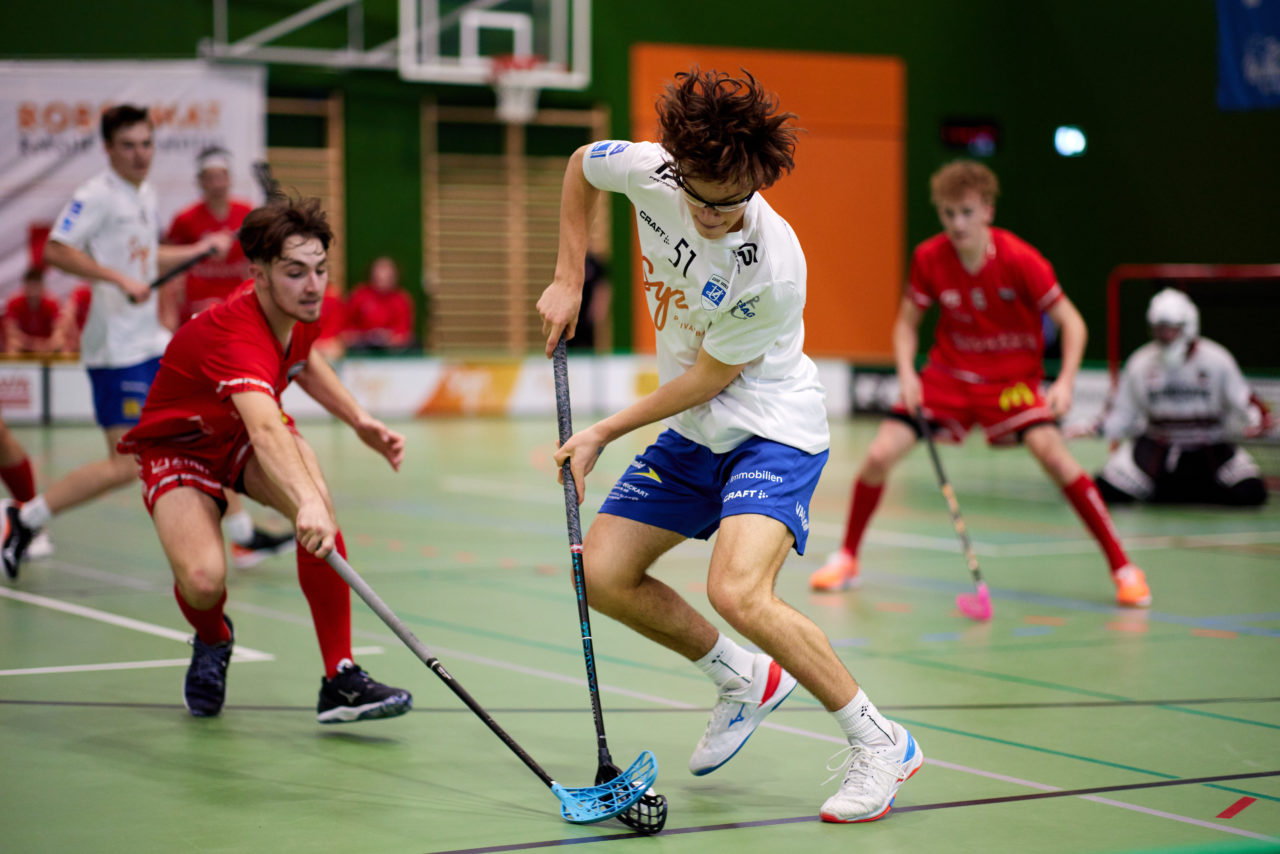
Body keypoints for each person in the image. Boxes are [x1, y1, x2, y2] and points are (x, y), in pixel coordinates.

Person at [536, 67, 923, 824]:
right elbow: (581, 164)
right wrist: (568, 274)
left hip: (772, 428)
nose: (719, 219)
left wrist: (604, 432)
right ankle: (743, 678)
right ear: (678, 169)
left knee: (738, 589)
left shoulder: (774, 264)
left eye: (734, 204)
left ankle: (882, 742)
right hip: (696, 434)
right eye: (704, 204)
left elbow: (711, 378)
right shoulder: (649, 171)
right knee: (604, 574)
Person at [115, 195, 413, 721]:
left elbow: (305, 358)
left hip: (239, 439)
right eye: (296, 272)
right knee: (204, 581)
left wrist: (359, 420)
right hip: (181, 447)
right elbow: (266, 427)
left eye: (320, 270)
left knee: (317, 505)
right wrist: (305, 504)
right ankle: (213, 638)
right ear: (259, 274)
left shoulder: (297, 308)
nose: (314, 285)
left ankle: (339, 676)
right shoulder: (236, 333)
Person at [809, 160, 1151, 609]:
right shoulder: (930, 257)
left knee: (1054, 455)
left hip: (1010, 381)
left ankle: (1124, 568)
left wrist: (1065, 381)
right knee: (877, 455)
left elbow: (1073, 323)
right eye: (948, 213)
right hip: (949, 376)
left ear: (988, 210)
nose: (957, 224)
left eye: (967, 212)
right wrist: (908, 374)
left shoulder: (1020, 260)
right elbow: (906, 325)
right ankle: (847, 558)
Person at [0, 104, 233, 579]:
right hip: (117, 352)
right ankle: (24, 518)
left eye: (146, 143)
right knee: (125, 465)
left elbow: (144, 257)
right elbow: (56, 251)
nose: (139, 153)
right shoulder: (97, 196)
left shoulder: (143, 193)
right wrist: (117, 279)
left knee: (202, 423)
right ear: (108, 149)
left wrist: (195, 250)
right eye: (128, 145)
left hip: (150, 341)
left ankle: (241, 535)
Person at [165, 146, 296, 567]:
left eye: (223, 174)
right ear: (202, 181)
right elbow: (170, 275)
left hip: (240, 332)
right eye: (210, 176)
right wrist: (168, 325)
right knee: (218, 431)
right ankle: (239, 533)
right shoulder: (187, 221)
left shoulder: (246, 213)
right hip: (202, 334)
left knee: (228, 429)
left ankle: (240, 533)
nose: (217, 181)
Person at [1084, 288, 1268, 506]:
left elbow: (1244, 402)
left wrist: (1256, 420)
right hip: (1157, 448)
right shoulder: (1141, 362)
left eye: (1171, 329)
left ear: (1189, 327)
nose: (1165, 336)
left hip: (1209, 445)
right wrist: (1096, 428)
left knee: (1251, 492)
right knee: (1105, 489)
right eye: (1159, 329)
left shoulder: (1217, 360)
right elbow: (1122, 412)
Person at [343, 256, 415, 353]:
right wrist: (366, 337)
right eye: (379, 272)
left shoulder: (402, 299)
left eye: (387, 274)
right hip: (361, 350)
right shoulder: (358, 295)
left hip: (393, 353)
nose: (382, 276)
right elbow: (345, 332)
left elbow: (406, 335)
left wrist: (388, 338)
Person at [3, 267, 61, 354]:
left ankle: (57, 367)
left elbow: (59, 330)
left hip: (45, 345)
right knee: (13, 343)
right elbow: (11, 332)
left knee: (60, 342)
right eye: (31, 286)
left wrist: (48, 344)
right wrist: (33, 344)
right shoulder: (14, 302)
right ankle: (14, 367)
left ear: (42, 286)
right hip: (24, 344)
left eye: (36, 286)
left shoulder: (52, 302)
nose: (34, 291)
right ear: (25, 286)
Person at [51, 282, 92, 355]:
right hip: (77, 337)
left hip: (90, 338)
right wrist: (75, 339)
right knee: (60, 340)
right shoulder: (81, 291)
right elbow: (68, 314)